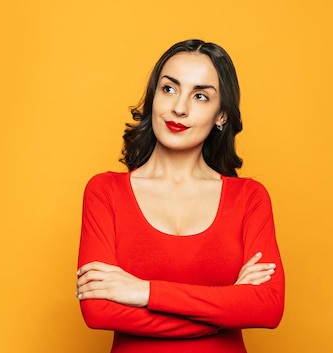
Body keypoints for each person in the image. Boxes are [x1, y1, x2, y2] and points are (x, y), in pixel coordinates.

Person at [75, 39, 285, 353]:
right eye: (169, 89)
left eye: (200, 96)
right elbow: (98, 310)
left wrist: (143, 292)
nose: (179, 107)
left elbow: (267, 308)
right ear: (153, 97)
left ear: (221, 115)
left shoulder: (249, 198)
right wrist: (225, 309)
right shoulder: (105, 192)